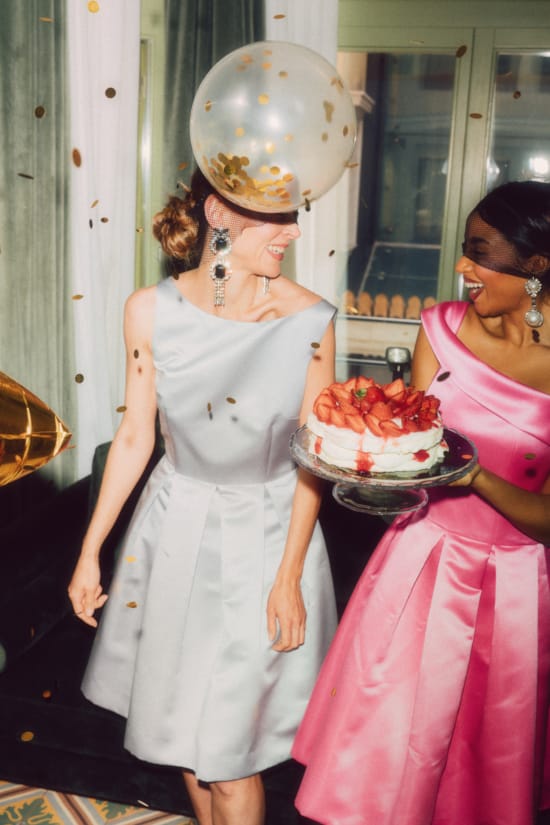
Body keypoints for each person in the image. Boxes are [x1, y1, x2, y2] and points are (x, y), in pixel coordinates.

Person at [68, 167, 338, 825]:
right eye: (276, 217)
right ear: (219, 213)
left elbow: (315, 459)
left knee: (233, 754)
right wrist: (90, 551)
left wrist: (289, 576)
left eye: (293, 215)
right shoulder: (148, 309)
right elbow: (135, 436)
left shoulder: (312, 321)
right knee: (186, 740)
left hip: (272, 533)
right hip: (175, 531)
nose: (294, 231)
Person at [292, 180, 550, 825]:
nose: (463, 267)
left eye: (480, 252)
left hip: (515, 592)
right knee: (383, 764)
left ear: (537, 266)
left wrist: (479, 479)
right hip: (418, 566)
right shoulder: (438, 328)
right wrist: (365, 465)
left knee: (478, 776)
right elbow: (414, 444)